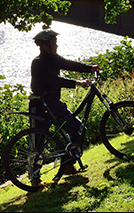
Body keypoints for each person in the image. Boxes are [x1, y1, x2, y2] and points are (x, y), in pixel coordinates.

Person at [29, 29, 102, 179]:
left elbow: (69, 64)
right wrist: (78, 83)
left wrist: (90, 68)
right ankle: (34, 179)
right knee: (38, 146)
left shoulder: (54, 58)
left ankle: (68, 165)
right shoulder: (38, 63)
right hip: (41, 107)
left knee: (79, 130)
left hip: (54, 105)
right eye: (54, 43)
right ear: (45, 46)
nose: (57, 45)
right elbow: (55, 80)